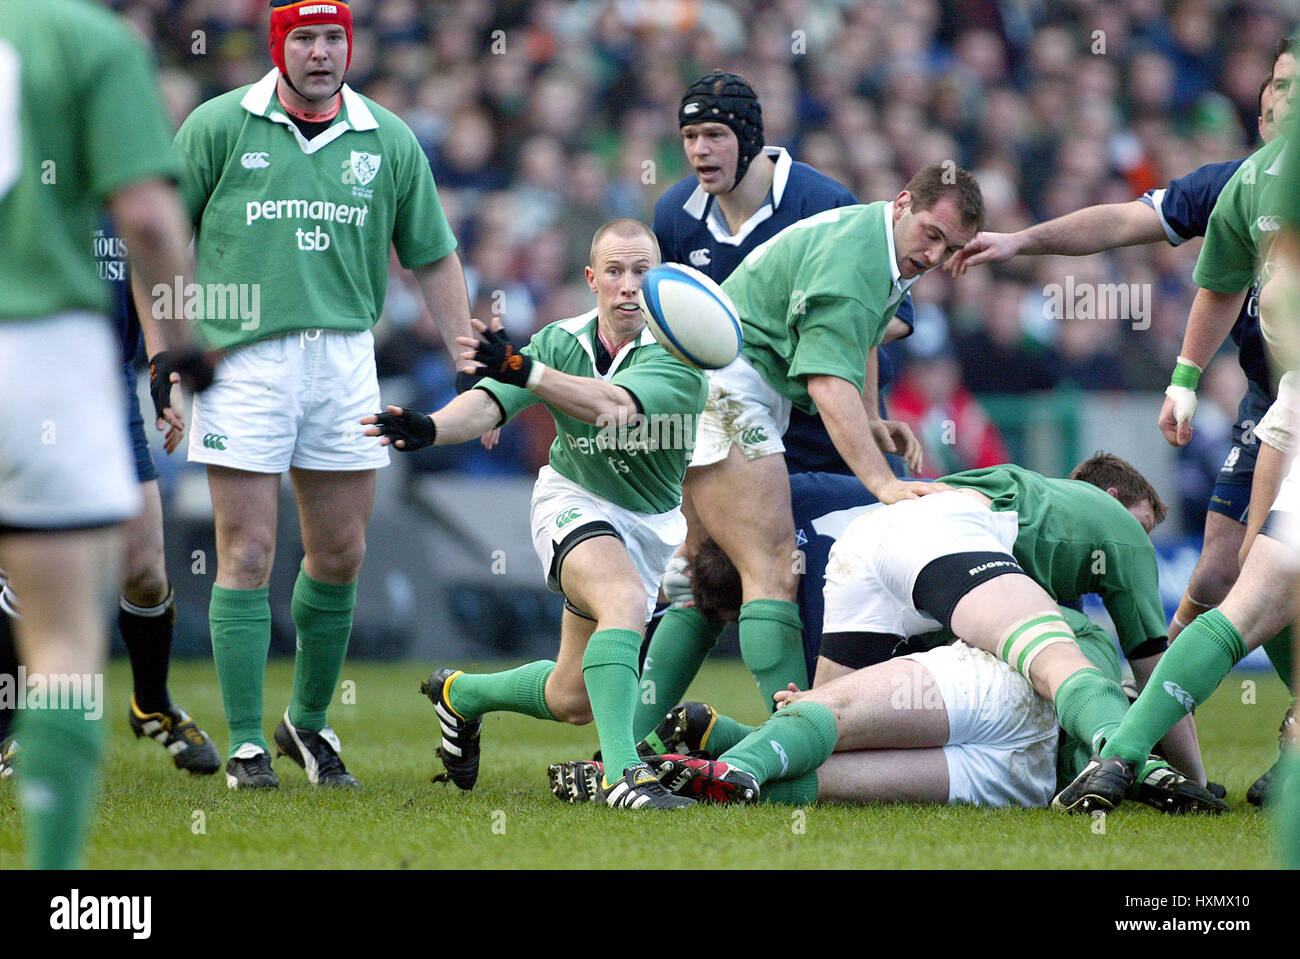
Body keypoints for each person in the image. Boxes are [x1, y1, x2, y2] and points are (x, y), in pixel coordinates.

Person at [946, 45, 1296, 799]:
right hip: (1277, 404)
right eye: (1275, 85)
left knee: (1265, 576)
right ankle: (1159, 738)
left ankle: (1154, 740)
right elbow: (1130, 224)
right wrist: (1021, 241)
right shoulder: (1238, 186)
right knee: (1228, 572)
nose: (1281, 99)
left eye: (1295, 86)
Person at [171, 0, 473, 789]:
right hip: (240, 357)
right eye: (303, 37)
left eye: (333, 36)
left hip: (345, 358)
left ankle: (306, 721)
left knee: (340, 554)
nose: (320, 51)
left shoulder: (388, 136)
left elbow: (433, 257)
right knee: (247, 549)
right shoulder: (217, 125)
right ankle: (243, 741)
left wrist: (471, 360)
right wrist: (167, 354)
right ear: (279, 47)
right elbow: (158, 243)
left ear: (350, 46)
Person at [363, 219, 708, 809]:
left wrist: (527, 371)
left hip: (650, 527)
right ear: (591, 278)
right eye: (616, 271)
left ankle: (461, 695)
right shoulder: (559, 339)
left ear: (660, 284)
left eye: (642, 272)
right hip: (571, 500)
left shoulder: (681, 358)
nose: (628, 285)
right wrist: (430, 427)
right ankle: (623, 777)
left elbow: (613, 407)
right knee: (621, 601)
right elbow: (493, 403)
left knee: (572, 698)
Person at [636, 72, 920, 740]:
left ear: (751, 137)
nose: (701, 150)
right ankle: (778, 742)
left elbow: (876, 317)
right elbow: (673, 335)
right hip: (731, 418)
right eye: (688, 137)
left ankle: (811, 732)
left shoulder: (822, 201)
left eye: (714, 135)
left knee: (822, 578)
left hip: (824, 426)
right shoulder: (675, 214)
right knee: (711, 577)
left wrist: (871, 415)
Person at [0, 0, 211, 867]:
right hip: (43, 350)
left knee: (143, 560)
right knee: (59, 637)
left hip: (83, 368)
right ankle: (56, 886)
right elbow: (154, 221)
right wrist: (190, 342)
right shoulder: (90, 41)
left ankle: (151, 700)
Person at [674, 162, 980, 723]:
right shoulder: (856, 258)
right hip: (729, 387)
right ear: (903, 202)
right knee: (770, 569)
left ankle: (621, 738)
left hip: (723, 383)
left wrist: (870, 420)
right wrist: (884, 483)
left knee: (703, 573)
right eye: (932, 235)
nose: (935, 256)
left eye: (951, 247)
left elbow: (859, 335)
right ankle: (794, 740)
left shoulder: (874, 240)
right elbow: (825, 380)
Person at [0, 222, 222, 779]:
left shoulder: (115, 177)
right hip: (23, 377)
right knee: (27, 571)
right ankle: (11, 732)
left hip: (104, 385)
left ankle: (152, 703)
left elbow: (148, 273)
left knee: (144, 567)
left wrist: (162, 368)